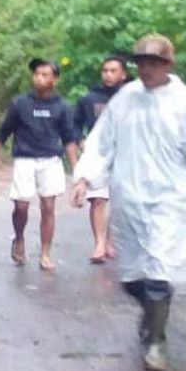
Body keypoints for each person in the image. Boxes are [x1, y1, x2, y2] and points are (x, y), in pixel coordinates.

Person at [71, 34, 186, 371]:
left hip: (171, 200)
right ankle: (152, 313)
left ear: (168, 64)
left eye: (153, 62)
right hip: (129, 200)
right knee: (131, 277)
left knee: (158, 271)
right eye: (140, 62)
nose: (146, 68)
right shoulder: (125, 99)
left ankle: (156, 341)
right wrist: (84, 177)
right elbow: (101, 142)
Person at [0, 58, 79, 270]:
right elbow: (4, 131)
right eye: (36, 74)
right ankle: (19, 238)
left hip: (50, 160)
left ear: (55, 79)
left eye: (44, 75)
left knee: (49, 206)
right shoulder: (20, 103)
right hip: (25, 159)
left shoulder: (61, 107)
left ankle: (45, 252)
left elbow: (69, 138)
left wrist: (76, 168)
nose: (39, 78)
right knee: (21, 206)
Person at [74, 55, 130, 263]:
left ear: (123, 74)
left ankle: (112, 242)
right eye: (105, 70)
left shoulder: (132, 98)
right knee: (98, 199)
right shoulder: (90, 98)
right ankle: (99, 242)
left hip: (125, 156)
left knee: (120, 201)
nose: (108, 74)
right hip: (98, 154)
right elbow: (75, 124)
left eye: (113, 71)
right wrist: (81, 142)